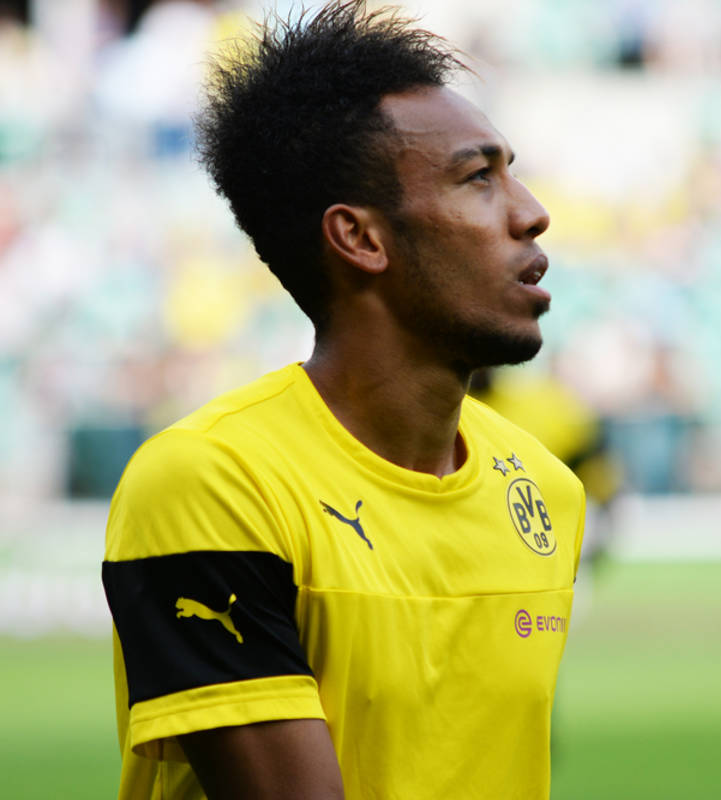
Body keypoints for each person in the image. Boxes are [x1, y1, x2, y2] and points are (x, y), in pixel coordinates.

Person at [100, 3, 586, 799]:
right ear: (360, 238)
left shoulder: (545, 491)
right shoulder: (212, 483)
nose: (531, 212)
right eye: (478, 178)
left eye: (512, 173)